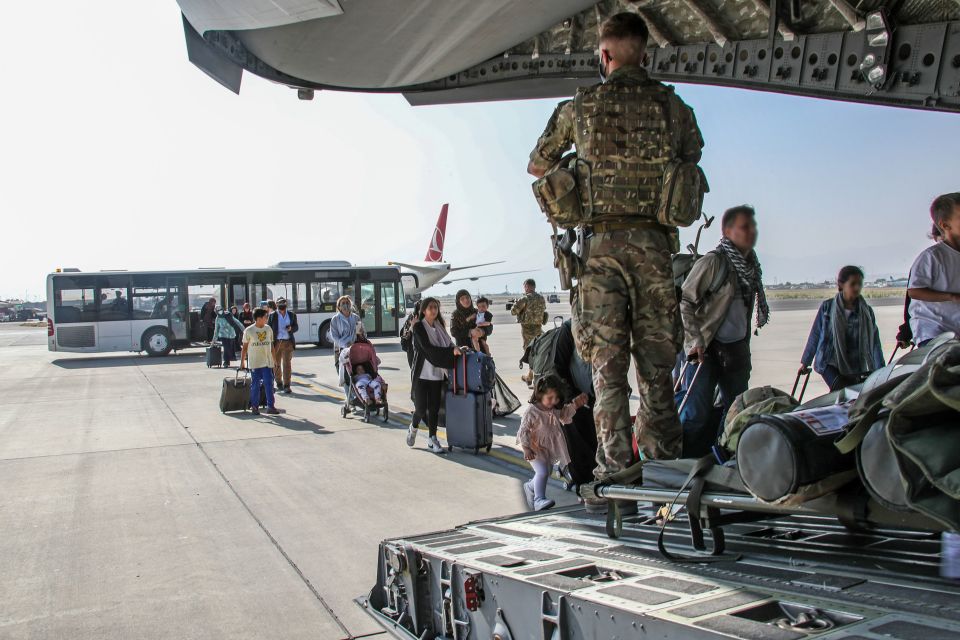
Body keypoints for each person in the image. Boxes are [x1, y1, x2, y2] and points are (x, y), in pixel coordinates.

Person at [527, 12, 704, 498]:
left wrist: (577, 165)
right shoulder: (674, 108)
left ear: (603, 55)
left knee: (607, 373)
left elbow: (537, 165)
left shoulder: (579, 107)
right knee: (656, 371)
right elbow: (691, 158)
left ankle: (617, 475)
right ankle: (665, 474)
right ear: (645, 52)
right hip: (654, 250)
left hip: (601, 254)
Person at [680, 205, 768, 452]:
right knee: (696, 413)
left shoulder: (752, 268)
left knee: (736, 414)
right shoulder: (713, 263)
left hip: (736, 350)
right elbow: (685, 302)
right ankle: (686, 463)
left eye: (753, 226)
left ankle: (720, 457)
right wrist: (694, 340)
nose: (752, 231)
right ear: (727, 231)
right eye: (745, 227)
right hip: (705, 351)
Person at [800, 266, 885, 390]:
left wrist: (881, 370)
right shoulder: (827, 308)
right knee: (840, 388)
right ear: (841, 284)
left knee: (851, 395)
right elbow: (816, 334)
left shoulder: (867, 312)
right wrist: (805, 362)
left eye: (860, 284)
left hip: (854, 363)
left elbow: (874, 342)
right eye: (853, 284)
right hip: (828, 361)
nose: (857, 288)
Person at [517, 376, 589, 511]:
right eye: (550, 398)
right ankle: (538, 499)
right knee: (542, 472)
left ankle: (530, 486)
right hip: (535, 448)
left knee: (547, 472)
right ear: (539, 395)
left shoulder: (554, 409)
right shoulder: (532, 411)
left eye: (556, 398)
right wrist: (526, 448)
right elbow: (524, 430)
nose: (554, 401)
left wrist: (576, 404)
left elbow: (565, 414)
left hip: (548, 449)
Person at [408, 297, 461, 453]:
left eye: (435, 307)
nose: (433, 310)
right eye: (430, 307)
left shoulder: (439, 327)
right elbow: (428, 350)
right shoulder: (418, 327)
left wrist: (456, 348)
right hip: (421, 375)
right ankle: (414, 427)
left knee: (434, 408)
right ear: (424, 310)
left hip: (437, 375)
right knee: (420, 408)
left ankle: (432, 439)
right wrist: (451, 352)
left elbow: (449, 343)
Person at [906, 193, 960, 346]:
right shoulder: (932, 257)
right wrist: (952, 296)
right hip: (933, 331)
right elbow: (914, 291)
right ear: (945, 225)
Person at [240, 308, 280, 415]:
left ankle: (271, 406)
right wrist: (242, 362)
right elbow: (244, 348)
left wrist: (275, 360)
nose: (267, 319)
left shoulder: (268, 329)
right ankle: (254, 407)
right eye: (265, 317)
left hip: (267, 362)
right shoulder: (249, 331)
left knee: (269, 384)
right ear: (258, 319)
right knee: (255, 385)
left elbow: (271, 346)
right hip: (255, 363)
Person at [510, 279, 546, 385]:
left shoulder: (525, 298)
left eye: (524, 286)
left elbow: (513, 311)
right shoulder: (541, 298)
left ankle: (535, 378)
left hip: (527, 329)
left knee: (530, 352)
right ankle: (530, 376)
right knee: (538, 350)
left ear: (526, 286)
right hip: (538, 328)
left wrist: (516, 303)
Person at [268, 297, 298, 394]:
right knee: (276, 364)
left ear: (286, 304)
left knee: (287, 364)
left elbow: (296, 327)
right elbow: (268, 328)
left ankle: (287, 385)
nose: (282, 304)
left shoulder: (292, 315)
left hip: (288, 342)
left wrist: (291, 328)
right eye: (280, 303)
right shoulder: (272, 315)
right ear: (276, 305)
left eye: (283, 303)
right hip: (276, 343)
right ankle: (279, 382)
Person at [331, 295, 361, 370]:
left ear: (350, 305)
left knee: (354, 371)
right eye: (343, 303)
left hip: (355, 349)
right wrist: (345, 344)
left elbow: (361, 333)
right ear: (339, 307)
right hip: (340, 349)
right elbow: (335, 337)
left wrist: (360, 334)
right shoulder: (335, 319)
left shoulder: (356, 317)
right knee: (342, 372)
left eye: (347, 303)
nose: (345, 305)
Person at [400, 301, 422, 369]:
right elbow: (406, 334)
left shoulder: (413, 317)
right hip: (412, 348)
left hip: (414, 348)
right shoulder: (413, 318)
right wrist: (412, 327)